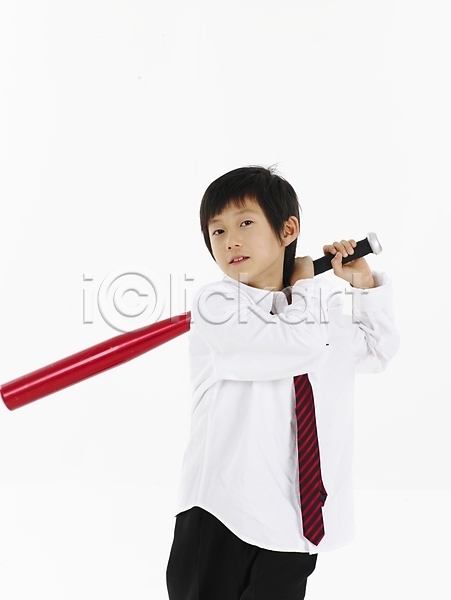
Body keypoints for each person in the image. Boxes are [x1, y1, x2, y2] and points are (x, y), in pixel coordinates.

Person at [166, 165, 400, 600]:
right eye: (217, 231)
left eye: (245, 223)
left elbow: (376, 350)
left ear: (288, 230)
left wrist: (363, 286)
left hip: (294, 525)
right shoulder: (217, 304)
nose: (230, 240)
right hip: (222, 514)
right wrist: (304, 283)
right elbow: (296, 346)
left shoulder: (315, 314)